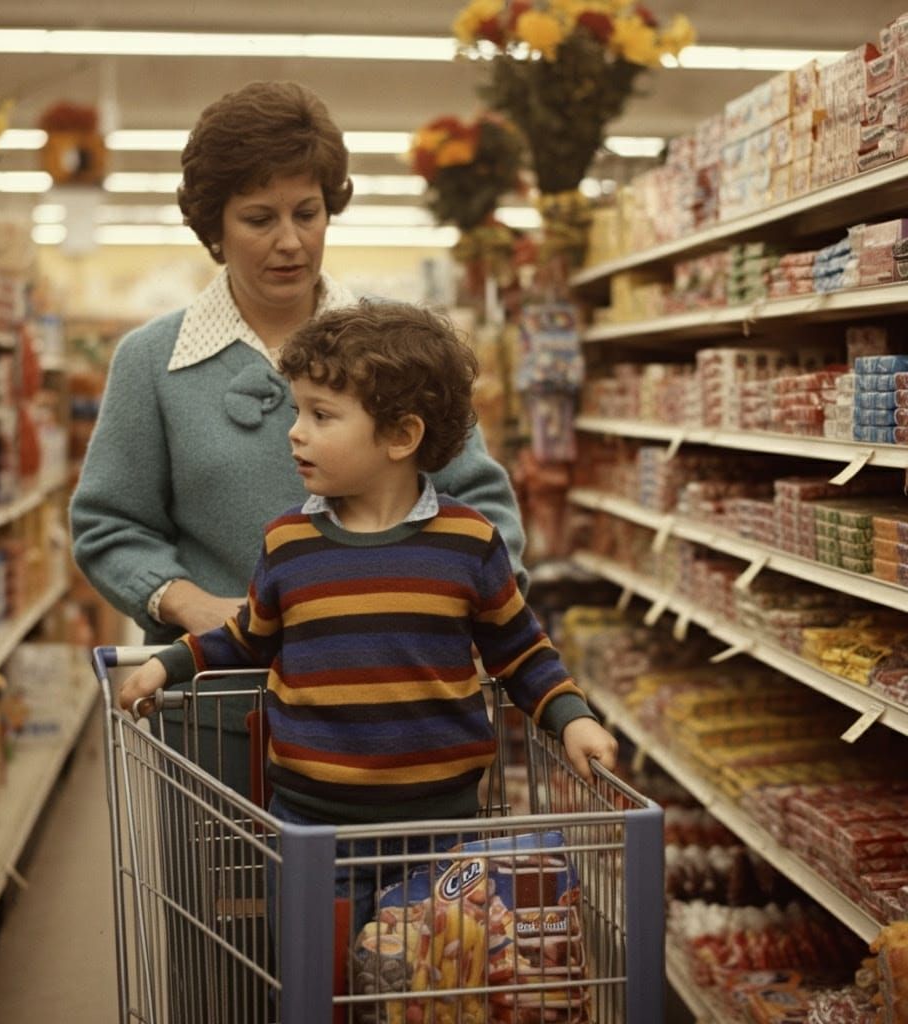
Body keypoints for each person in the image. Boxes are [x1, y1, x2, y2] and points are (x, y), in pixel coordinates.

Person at [117, 300, 619, 939]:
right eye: (297, 410)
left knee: (432, 993)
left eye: (321, 415)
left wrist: (571, 718)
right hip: (311, 831)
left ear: (401, 436)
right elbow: (249, 637)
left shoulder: (468, 543)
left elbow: (520, 652)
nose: (294, 431)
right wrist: (171, 660)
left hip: (442, 836)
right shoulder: (287, 544)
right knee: (315, 987)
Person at [70, 79, 528, 656]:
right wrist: (186, 600)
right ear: (215, 226)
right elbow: (109, 524)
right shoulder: (152, 362)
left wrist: (465, 606)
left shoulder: (400, 346)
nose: (291, 241)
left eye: (307, 213)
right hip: (216, 702)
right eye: (260, 220)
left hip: (391, 693)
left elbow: (480, 503)